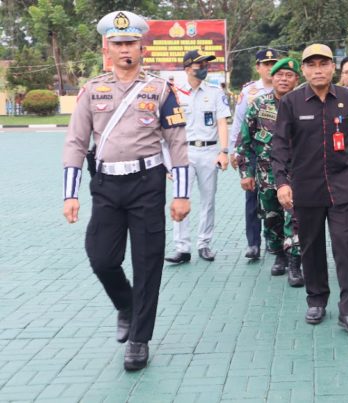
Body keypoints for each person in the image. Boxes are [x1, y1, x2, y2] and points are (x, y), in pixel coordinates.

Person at [62, 10, 190, 371]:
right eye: (118, 43)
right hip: (106, 186)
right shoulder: (92, 90)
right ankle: (125, 303)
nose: (124, 49)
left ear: (141, 47)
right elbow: (75, 142)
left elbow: (177, 142)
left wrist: (182, 194)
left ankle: (139, 338)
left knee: (148, 263)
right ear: (107, 48)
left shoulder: (161, 91)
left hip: (147, 185)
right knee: (101, 257)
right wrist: (70, 194)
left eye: (130, 43)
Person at [271, 43, 348, 335]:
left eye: (323, 64)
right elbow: (280, 145)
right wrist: (282, 182)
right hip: (306, 188)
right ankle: (316, 299)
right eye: (311, 65)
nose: (318, 70)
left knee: (345, 247)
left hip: (343, 187)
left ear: (333, 67)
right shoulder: (292, 102)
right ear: (303, 70)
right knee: (311, 247)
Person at [238, 58, 304, 286]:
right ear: (272, 78)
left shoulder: (303, 104)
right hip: (266, 174)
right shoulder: (258, 105)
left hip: (296, 173)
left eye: (289, 75)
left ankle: (295, 261)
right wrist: (245, 172)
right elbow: (244, 140)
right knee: (271, 216)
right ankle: (278, 255)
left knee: (295, 217)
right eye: (279, 75)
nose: (284, 79)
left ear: (297, 79)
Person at [165, 50, 231, 264]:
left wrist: (224, 151)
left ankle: (204, 244)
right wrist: (167, 162)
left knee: (208, 200)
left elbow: (222, 122)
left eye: (206, 65)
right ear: (187, 68)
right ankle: (182, 248)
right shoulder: (174, 93)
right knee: (181, 197)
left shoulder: (215, 92)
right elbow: (166, 129)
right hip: (183, 153)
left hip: (209, 152)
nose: (204, 68)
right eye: (199, 65)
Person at [230, 48, 279, 260]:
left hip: (276, 154)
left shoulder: (286, 87)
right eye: (266, 64)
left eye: (273, 64)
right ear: (258, 67)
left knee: (275, 199)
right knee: (252, 197)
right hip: (253, 153)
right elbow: (239, 122)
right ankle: (253, 243)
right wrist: (234, 151)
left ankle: (274, 241)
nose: (270, 68)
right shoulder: (249, 92)